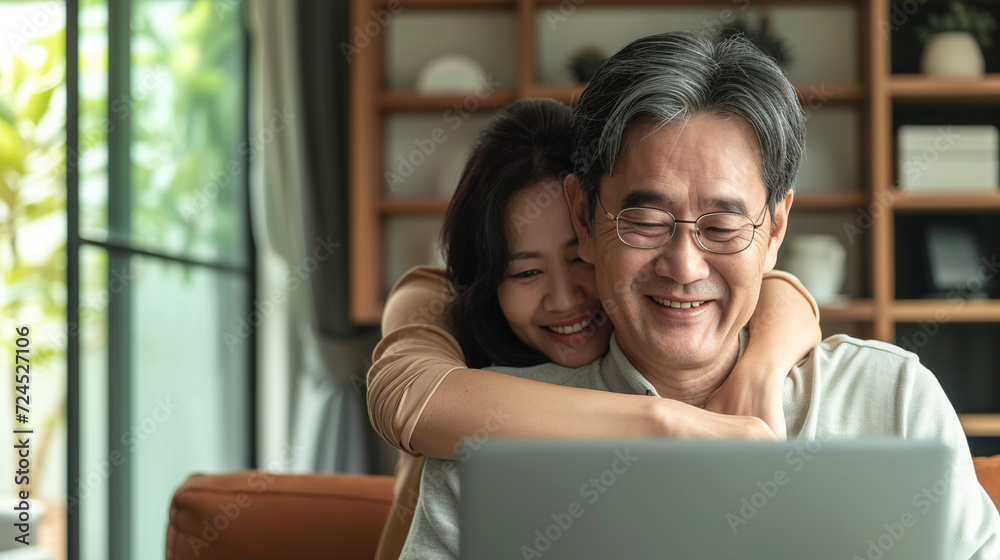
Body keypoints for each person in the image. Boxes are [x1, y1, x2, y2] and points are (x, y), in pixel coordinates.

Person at [398, 32, 1000, 559]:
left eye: (722, 226)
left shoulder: (891, 400)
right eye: (646, 221)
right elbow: (408, 386)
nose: (684, 268)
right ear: (583, 216)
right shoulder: (495, 437)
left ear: (776, 228)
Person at [371, 98, 823, 560]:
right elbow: (406, 395)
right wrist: (668, 424)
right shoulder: (438, 301)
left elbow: (777, 291)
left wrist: (758, 373)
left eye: (577, 259)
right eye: (526, 273)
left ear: (596, 234)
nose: (565, 300)